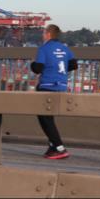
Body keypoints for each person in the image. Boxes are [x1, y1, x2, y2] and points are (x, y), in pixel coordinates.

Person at [31, 24, 77, 159]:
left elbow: (38, 69)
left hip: (46, 86)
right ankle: (52, 147)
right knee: (49, 118)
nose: (42, 35)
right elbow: (74, 65)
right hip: (61, 86)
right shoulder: (64, 48)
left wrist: (31, 64)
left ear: (48, 34)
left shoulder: (44, 49)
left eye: (44, 32)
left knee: (45, 118)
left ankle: (59, 147)